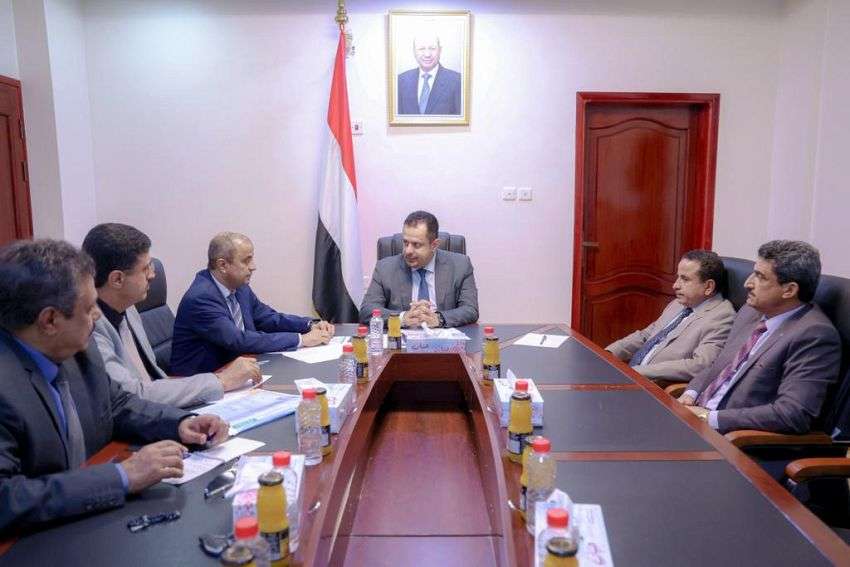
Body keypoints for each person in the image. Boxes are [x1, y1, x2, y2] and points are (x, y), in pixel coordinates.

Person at [0, 239, 228, 533]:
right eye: (89, 307)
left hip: (89, 523)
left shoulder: (77, 349)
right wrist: (121, 476)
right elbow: (6, 498)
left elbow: (117, 404)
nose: (97, 315)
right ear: (50, 320)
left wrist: (181, 424)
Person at [83, 223, 261, 408]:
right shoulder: (89, 329)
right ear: (117, 279)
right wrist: (221, 381)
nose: (153, 274)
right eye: (145, 269)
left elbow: (155, 379)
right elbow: (131, 396)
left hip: (160, 407)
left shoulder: (128, 308)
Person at [678, 240, 840, 434]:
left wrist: (709, 418)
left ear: (789, 290)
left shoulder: (814, 335)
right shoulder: (750, 312)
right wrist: (691, 393)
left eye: (760, 277)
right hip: (696, 419)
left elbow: (791, 414)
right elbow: (718, 364)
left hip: (733, 438)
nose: (747, 283)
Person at [171, 232, 334, 376]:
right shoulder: (202, 298)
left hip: (236, 372)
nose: (253, 267)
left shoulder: (239, 287)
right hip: (202, 382)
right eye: (246, 261)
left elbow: (268, 318)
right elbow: (238, 340)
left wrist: (310, 324)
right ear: (223, 265)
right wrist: (301, 339)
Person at [606, 250, 735, 384]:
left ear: (708, 287)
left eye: (685, 279)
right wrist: (609, 354)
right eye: (678, 277)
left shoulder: (721, 316)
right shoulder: (679, 303)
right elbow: (647, 334)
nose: (675, 286)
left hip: (654, 386)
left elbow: (700, 365)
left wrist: (639, 371)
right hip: (631, 376)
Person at [360, 210, 478, 328]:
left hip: (443, 337)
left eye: (416, 245)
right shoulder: (385, 268)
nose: (408, 251)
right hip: (401, 337)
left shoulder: (460, 265)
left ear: (434, 245)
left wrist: (439, 318)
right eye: (405, 243)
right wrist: (402, 317)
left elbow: (470, 309)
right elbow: (367, 310)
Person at [397, 32, 462, 115]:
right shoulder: (400, 81)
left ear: (440, 50)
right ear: (414, 51)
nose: (427, 54)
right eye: (421, 49)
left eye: (432, 48)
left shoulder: (457, 81)